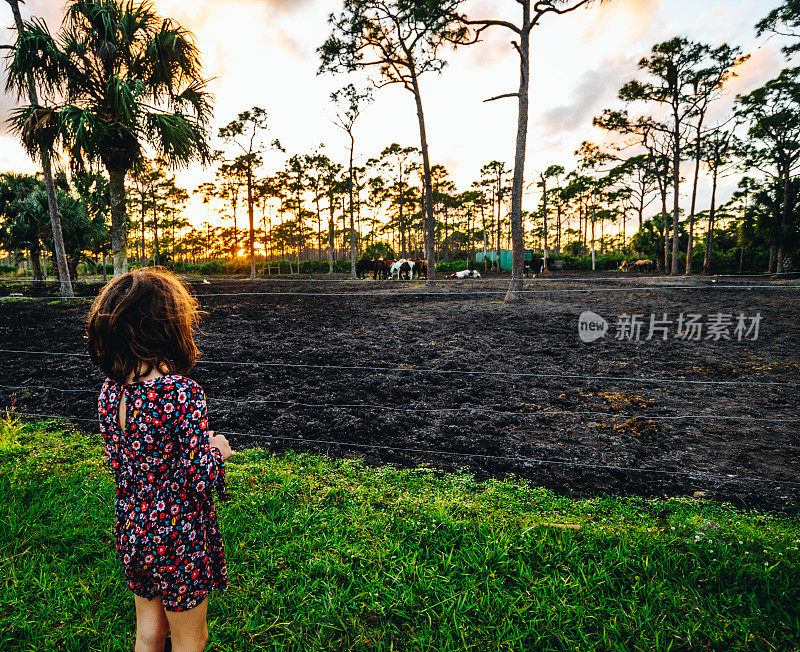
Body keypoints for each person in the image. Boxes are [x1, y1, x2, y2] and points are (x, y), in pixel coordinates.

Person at [87, 268, 234, 652]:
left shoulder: (110, 391)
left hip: (133, 524)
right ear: (167, 326)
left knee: (149, 632)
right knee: (191, 638)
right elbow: (197, 475)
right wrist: (217, 450)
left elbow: (129, 456)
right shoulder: (180, 392)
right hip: (176, 532)